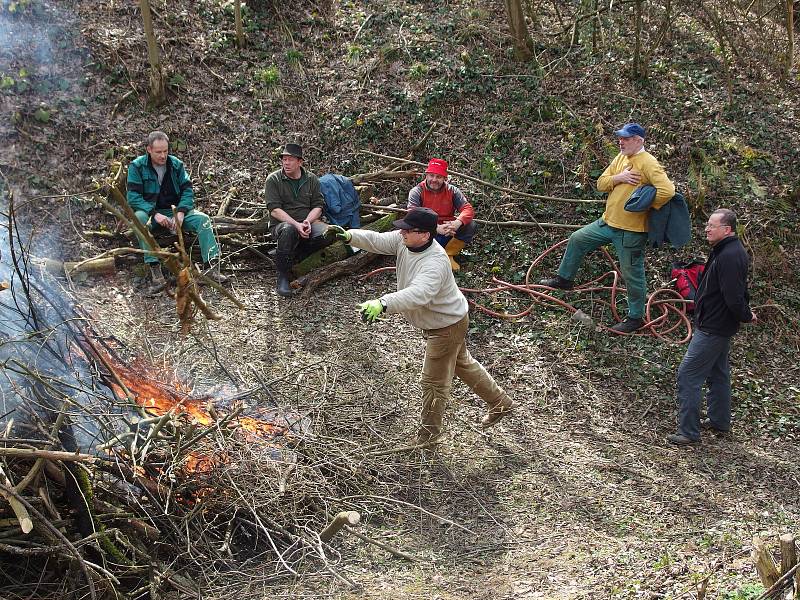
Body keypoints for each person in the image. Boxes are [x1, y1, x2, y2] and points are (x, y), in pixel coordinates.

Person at [328, 208, 513, 446]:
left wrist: (384, 303)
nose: (401, 232)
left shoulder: (435, 262)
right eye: (402, 228)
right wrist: (349, 236)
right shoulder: (404, 241)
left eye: (408, 229)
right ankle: (501, 403)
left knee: (433, 383)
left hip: (446, 326)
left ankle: (428, 438)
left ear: (424, 235)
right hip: (448, 321)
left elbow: (419, 294)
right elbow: (377, 239)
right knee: (463, 365)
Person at [539, 123, 675, 333]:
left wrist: (645, 204)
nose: (621, 141)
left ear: (639, 141)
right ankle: (564, 279)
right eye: (620, 138)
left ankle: (635, 317)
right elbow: (601, 183)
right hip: (607, 222)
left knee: (632, 274)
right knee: (577, 239)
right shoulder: (621, 158)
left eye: (626, 138)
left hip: (630, 231)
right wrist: (618, 178)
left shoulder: (648, 162)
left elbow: (668, 191)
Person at [667, 208, 757, 446]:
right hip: (715, 323)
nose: (706, 229)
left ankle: (688, 432)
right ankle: (719, 421)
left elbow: (735, 296)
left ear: (726, 230)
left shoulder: (729, 256)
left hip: (714, 327)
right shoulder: (724, 250)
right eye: (707, 224)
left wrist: (746, 316)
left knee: (688, 375)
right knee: (718, 373)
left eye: (711, 225)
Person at [127, 131, 227, 295]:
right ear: (149, 150)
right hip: (151, 213)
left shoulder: (176, 165)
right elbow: (133, 197)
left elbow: (187, 191)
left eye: (166, 151)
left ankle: (211, 267)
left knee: (204, 220)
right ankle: (154, 268)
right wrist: (154, 214)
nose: (163, 155)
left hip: (175, 211)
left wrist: (180, 213)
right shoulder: (137, 166)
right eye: (158, 152)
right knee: (139, 218)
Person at [263, 143, 327, 297]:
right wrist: (296, 225)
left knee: (326, 232)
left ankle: (294, 255)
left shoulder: (311, 180)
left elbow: (318, 206)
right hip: (282, 226)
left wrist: (306, 222)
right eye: (284, 159)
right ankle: (282, 277)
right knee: (289, 230)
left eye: (290, 160)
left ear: (300, 162)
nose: (286, 163)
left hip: (306, 223)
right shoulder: (274, 179)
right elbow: (274, 210)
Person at [407, 158, 476, 271]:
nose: (434, 180)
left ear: (445, 178)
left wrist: (457, 223)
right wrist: (435, 228)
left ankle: (448, 254)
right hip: (426, 231)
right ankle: (425, 258)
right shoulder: (417, 191)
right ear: (426, 175)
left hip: (449, 231)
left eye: (438, 177)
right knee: (412, 228)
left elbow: (468, 209)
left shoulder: (452, 191)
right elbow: (412, 214)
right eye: (431, 176)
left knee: (470, 225)